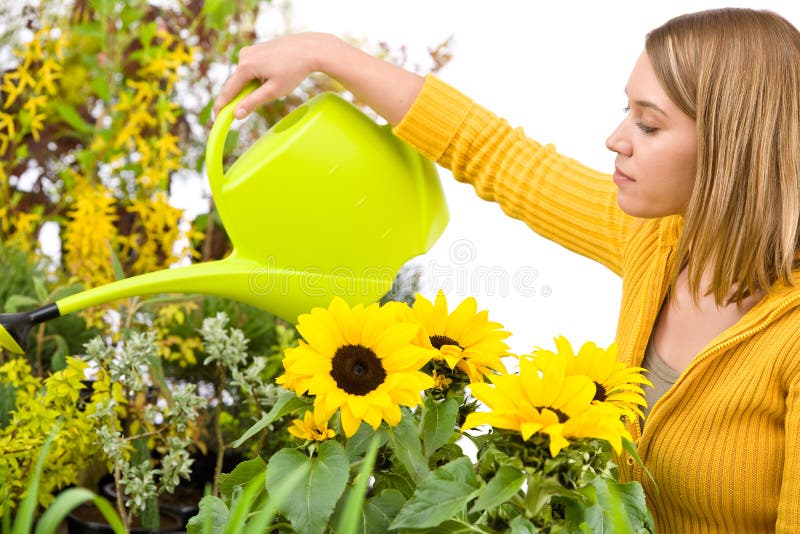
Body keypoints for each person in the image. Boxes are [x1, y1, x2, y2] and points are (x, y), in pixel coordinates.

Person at [213, 8, 800, 533]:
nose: (615, 139)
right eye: (627, 109)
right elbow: (494, 152)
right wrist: (326, 55)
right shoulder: (659, 240)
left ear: (732, 148)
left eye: (648, 124)